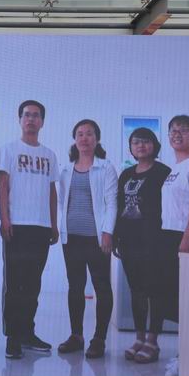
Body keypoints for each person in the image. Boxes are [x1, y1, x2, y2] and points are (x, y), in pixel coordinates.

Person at [0, 100, 59, 360]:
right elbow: (3, 186)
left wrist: (54, 223)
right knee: (15, 283)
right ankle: (12, 337)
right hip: (17, 225)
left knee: (33, 284)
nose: (31, 119)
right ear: (20, 119)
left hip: (41, 227)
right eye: (26, 115)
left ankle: (27, 332)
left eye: (36, 115)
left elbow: (52, 192)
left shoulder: (49, 154)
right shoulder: (9, 149)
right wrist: (5, 219)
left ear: (42, 121)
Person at [56, 119, 117, 359]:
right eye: (80, 134)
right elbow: (62, 202)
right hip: (71, 238)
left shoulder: (106, 167)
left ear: (97, 139)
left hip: (97, 239)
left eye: (89, 134)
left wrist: (107, 232)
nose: (84, 138)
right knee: (75, 286)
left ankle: (99, 339)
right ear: (75, 139)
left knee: (102, 286)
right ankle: (76, 335)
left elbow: (112, 203)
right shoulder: (65, 169)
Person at [113, 127, 171, 365]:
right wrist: (115, 236)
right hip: (129, 240)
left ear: (154, 145)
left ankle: (152, 341)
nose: (141, 146)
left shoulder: (164, 173)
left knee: (155, 291)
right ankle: (139, 338)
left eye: (146, 141)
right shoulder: (126, 174)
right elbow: (118, 206)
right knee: (136, 290)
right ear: (131, 148)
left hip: (154, 241)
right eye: (136, 142)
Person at [160, 114, 189, 376]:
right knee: (176, 301)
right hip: (171, 235)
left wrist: (187, 237)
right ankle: (183, 354)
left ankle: (187, 358)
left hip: (188, 237)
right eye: (173, 130)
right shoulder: (174, 168)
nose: (177, 134)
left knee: (188, 302)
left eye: (184, 130)